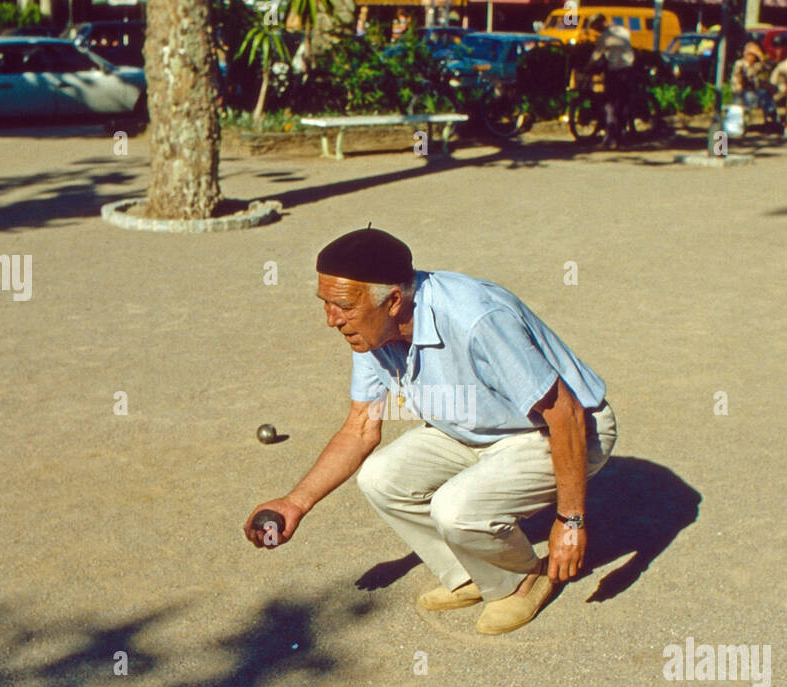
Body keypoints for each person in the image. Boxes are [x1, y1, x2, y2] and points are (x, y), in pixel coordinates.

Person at [244, 227, 618, 636]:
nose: (331, 320)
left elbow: (565, 413)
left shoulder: (475, 318)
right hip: (473, 426)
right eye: (326, 304)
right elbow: (361, 428)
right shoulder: (371, 332)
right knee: (380, 477)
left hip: (561, 429)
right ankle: (472, 574)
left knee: (455, 507)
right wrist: (295, 503)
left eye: (343, 306)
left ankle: (521, 580)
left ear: (393, 301)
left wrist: (571, 520)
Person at [584, 13, 635, 149]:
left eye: (595, 27)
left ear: (601, 23)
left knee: (610, 105)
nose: (596, 30)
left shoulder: (604, 37)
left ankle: (611, 139)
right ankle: (623, 137)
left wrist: (587, 68)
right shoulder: (624, 31)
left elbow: (596, 55)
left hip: (615, 72)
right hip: (628, 70)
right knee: (623, 104)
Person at [729, 41, 777, 127]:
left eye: (754, 55)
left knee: (765, 94)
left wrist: (761, 57)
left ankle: (771, 119)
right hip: (740, 93)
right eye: (751, 54)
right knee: (754, 96)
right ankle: (744, 122)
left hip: (753, 92)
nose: (753, 57)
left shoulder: (755, 65)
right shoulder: (740, 64)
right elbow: (742, 78)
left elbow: (768, 67)